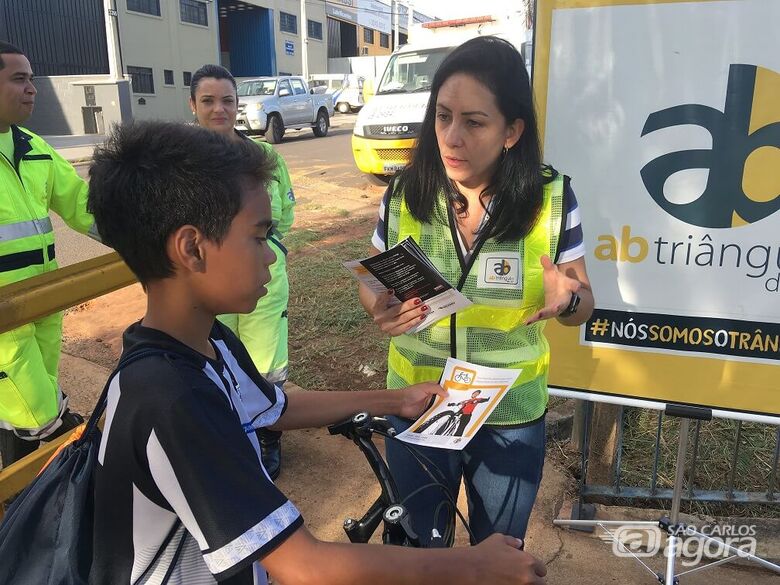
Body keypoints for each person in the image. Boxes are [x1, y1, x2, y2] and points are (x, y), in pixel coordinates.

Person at [86, 120, 547, 585]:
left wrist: (393, 401)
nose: (272, 255)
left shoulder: (203, 341)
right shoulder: (172, 400)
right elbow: (305, 566)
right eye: (258, 235)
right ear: (192, 248)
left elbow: (275, 407)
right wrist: (474, 564)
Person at [358, 36, 595, 545]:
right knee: (416, 555)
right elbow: (373, 279)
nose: (452, 137)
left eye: (474, 122)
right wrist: (381, 306)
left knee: (498, 555)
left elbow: (582, 303)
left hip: (509, 412)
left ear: (511, 131)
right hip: (417, 405)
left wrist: (567, 299)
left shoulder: (551, 197)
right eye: (443, 116)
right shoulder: (403, 194)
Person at [189, 64, 293, 479]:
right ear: (193, 105)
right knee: (211, 355)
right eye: (209, 101)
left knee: (265, 358)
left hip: (264, 278)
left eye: (227, 101)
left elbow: (283, 213)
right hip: (206, 280)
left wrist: (265, 247)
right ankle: (226, 436)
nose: (220, 110)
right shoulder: (181, 164)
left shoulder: (263, 157)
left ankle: (268, 437)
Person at [0, 41, 91, 467]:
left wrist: (146, 240)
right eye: (19, 79)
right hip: (4, 326)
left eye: (31, 78)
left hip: (44, 308)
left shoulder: (33, 147)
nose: (32, 89)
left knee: (17, 424)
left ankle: (14, 503)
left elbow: (83, 207)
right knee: (49, 421)